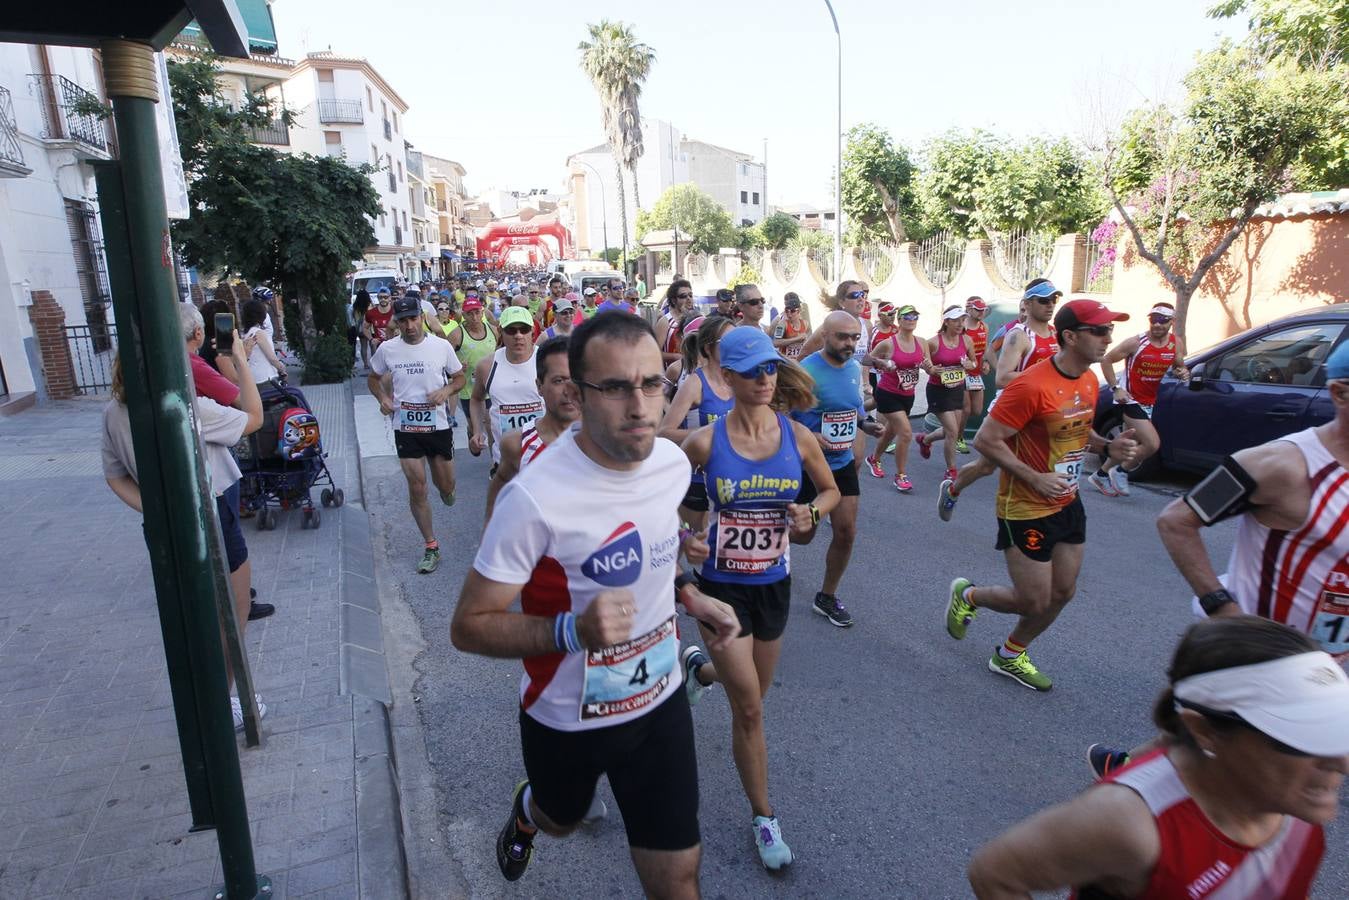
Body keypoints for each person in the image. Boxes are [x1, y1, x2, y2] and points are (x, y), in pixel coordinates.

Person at [449, 312, 740, 895]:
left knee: (679, 874)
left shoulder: (670, 465)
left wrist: (689, 592)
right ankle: (529, 813)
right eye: (615, 387)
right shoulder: (534, 496)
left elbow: (651, 544)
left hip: (659, 701)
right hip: (567, 715)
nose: (640, 406)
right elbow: (469, 627)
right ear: (579, 394)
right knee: (562, 818)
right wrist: (571, 632)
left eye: (652, 383)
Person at [969, 617, 1349, 899]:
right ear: (1205, 731)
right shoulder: (1128, 821)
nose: (1341, 763)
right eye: (1299, 738)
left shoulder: (1292, 798)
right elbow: (996, 874)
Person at [677, 327, 839, 870]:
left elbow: (831, 489)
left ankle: (698, 671)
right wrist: (686, 536)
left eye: (770, 368)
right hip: (721, 592)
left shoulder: (798, 437)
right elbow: (663, 499)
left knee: (750, 696)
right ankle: (765, 817)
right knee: (748, 707)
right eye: (752, 371)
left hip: (773, 586)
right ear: (727, 377)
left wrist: (811, 513)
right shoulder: (704, 441)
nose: (765, 379)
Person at [943, 299, 1138, 691]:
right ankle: (970, 595)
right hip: (1024, 507)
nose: (1108, 338)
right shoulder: (1031, 385)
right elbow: (985, 439)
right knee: (1033, 599)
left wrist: (1106, 448)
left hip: (1067, 500)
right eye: (1099, 331)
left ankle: (1010, 655)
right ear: (1071, 337)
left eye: (1109, 330)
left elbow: (1077, 430)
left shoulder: (1087, 380)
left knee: (1062, 592)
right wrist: (1035, 477)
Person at [102, 334, 269, 730]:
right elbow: (254, 418)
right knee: (233, 613)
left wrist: (160, 511)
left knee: (192, 615)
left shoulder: (113, 411)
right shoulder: (183, 405)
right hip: (209, 516)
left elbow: (115, 477)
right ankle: (220, 701)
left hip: (164, 528)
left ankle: (205, 699)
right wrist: (242, 361)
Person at [937, 280, 1063, 521]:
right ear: (1027, 303)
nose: (1050, 306)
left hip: (1041, 408)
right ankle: (953, 489)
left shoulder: (1055, 334)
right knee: (986, 466)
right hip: (1012, 408)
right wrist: (1047, 377)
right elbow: (1003, 378)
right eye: (1044, 301)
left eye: (1053, 300)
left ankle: (1040, 516)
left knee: (1046, 460)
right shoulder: (1019, 336)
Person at [367, 296, 465, 575]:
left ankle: (447, 490)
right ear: (396, 323)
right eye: (403, 321)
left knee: (445, 486)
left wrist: (446, 391)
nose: (409, 325)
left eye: (413, 319)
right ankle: (431, 545)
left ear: (422, 318)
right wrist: (383, 398)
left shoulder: (441, 346)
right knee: (417, 486)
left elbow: (459, 377)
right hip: (406, 427)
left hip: (437, 425)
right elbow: (373, 379)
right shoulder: (388, 350)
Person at [790, 310, 870, 628]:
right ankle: (766, 540)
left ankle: (826, 596)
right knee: (803, 535)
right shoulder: (806, 372)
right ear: (825, 336)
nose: (849, 343)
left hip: (841, 462)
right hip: (808, 465)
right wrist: (809, 436)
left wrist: (867, 423)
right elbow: (783, 415)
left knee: (847, 531)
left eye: (854, 337)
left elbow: (855, 407)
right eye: (842, 337)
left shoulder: (853, 368)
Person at [1088, 302, 1189, 498]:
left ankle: (1101, 475)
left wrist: (1183, 372)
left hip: (1149, 401)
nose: (1157, 324)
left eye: (1163, 320)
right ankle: (1121, 471)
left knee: (1129, 445)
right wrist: (1116, 389)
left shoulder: (1176, 343)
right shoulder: (1135, 342)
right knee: (1152, 444)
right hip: (1129, 400)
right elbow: (1107, 360)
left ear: (1172, 322)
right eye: (1153, 319)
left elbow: (1178, 366)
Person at [484, 337, 580, 521]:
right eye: (559, 381)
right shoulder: (516, 445)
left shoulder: (607, 440)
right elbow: (498, 492)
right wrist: (489, 544)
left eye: (575, 379)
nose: (569, 391)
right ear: (539, 387)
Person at [659, 316, 736, 533]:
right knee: (700, 546)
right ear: (708, 348)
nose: (734, 348)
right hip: (697, 477)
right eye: (726, 343)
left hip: (731, 474)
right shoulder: (695, 383)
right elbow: (664, 432)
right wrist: (711, 432)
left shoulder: (739, 379)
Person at [865, 304, 931, 492]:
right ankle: (900, 476)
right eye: (907, 317)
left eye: (915, 316)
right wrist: (882, 362)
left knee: (890, 432)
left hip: (908, 395)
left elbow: (930, 368)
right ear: (900, 320)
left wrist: (929, 367)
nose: (912, 320)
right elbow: (866, 360)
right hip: (887, 393)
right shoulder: (889, 343)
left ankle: (874, 458)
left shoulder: (922, 342)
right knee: (906, 433)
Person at [470, 306, 543, 472]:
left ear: (532, 331)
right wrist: (477, 431)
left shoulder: (546, 360)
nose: (518, 336)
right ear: (500, 331)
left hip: (543, 461)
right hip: (505, 462)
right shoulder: (487, 365)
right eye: (511, 330)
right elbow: (476, 399)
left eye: (524, 330)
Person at [915, 304, 976, 483]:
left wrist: (969, 366)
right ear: (946, 321)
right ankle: (951, 470)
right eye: (956, 320)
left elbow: (973, 362)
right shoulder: (933, 342)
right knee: (952, 431)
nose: (960, 324)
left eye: (962, 320)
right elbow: (924, 365)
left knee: (952, 430)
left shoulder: (966, 341)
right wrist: (932, 370)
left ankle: (926, 440)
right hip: (938, 390)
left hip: (957, 388)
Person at [958, 297, 991, 454]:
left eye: (983, 309)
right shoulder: (962, 327)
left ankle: (949, 430)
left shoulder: (984, 326)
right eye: (978, 309)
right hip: (962, 372)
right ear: (969, 309)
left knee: (977, 410)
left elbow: (984, 350)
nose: (981, 312)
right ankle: (958, 438)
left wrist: (985, 363)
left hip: (976, 373)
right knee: (966, 409)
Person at [241, 298, 285, 387]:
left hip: (252, 379)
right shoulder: (258, 333)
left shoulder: (245, 334)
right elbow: (272, 358)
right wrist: (282, 369)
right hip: (265, 378)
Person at [656, 279, 694, 365]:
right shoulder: (665, 321)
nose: (688, 299)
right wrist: (675, 357)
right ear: (673, 300)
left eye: (690, 295)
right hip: (672, 374)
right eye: (683, 296)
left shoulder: (695, 319)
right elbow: (655, 353)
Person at [771, 294, 809, 360]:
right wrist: (796, 339)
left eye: (792, 311)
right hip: (786, 363)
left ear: (799, 310)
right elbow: (775, 343)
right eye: (787, 311)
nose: (789, 314)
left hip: (799, 361)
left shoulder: (805, 323)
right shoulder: (781, 324)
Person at [365, 288, 396, 354]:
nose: (383, 299)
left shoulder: (396, 312)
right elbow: (365, 327)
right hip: (379, 348)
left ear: (390, 298)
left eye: (385, 297)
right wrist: (371, 339)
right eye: (380, 297)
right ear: (377, 298)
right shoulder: (371, 313)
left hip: (394, 347)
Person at [352, 290, 374, 370]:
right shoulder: (370, 305)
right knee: (372, 346)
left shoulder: (355, 307)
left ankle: (365, 364)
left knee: (363, 346)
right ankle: (373, 363)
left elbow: (355, 318)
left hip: (361, 329)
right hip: (371, 328)